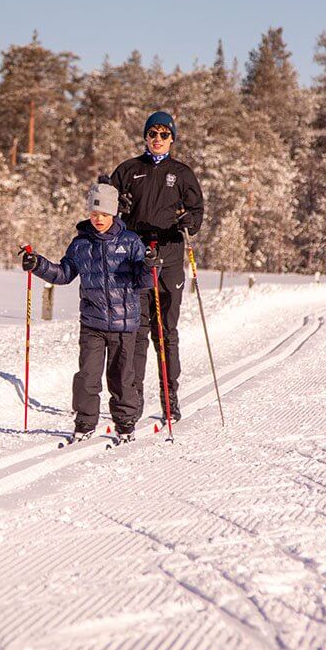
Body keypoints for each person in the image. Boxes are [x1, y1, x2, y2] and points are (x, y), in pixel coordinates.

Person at [22, 180, 160, 442]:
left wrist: (152, 265)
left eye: (105, 214)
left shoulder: (130, 242)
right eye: (95, 213)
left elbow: (145, 281)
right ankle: (85, 422)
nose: (99, 219)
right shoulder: (81, 244)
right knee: (87, 377)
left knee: (122, 377)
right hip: (92, 324)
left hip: (124, 324)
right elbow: (64, 274)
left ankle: (125, 423)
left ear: (114, 213)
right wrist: (38, 265)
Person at [111, 111, 204, 423]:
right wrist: (116, 206)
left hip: (170, 255)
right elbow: (104, 206)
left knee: (165, 331)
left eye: (164, 134)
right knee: (136, 330)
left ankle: (169, 397)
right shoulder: (128, 169)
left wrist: (189, 221)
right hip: (135, 256)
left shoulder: (182, 173)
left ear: (172, 139)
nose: (158, 139)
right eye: (153, 133)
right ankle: (133, 398)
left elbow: (197, 211)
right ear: (145, 137)